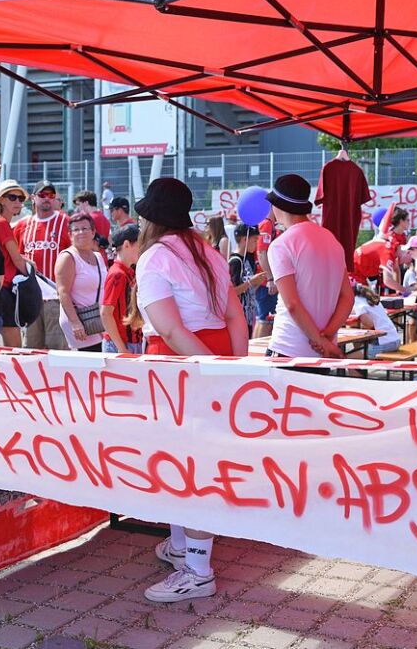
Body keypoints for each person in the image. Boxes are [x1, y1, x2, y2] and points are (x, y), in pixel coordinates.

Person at [130, 177, 248, 602]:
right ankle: (182, 546)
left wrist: (210, 371)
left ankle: (198, 569)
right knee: (186, 462)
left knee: (189, 469)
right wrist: (233, 369)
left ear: (148, 219)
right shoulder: (208, 251)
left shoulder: (154, 258)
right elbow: (236, 318)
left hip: (180, 364)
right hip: (208, 357)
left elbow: (171, 329)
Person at [263, 174, 353, 360]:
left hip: (288, 349)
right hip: (323, 352)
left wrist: (320, 341)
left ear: (279, 206)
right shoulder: (331, 239)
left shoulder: (281, 245)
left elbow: (292, 304)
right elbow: (347, 297)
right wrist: (326, 336)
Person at [13, 180, 71, 350]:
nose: (47, 199)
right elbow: (16, 257)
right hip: (31, 297)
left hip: (56, 298)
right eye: (42, 195)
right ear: (33, 198)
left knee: (58, 349)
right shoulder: (23, 225)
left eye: (51, 195)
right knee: (31, 348)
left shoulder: (65, 222)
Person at [54, 213, 108, 352]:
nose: (81, 232)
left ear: (93, 232)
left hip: (98, 321)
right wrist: (75, 322)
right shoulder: (68, 258)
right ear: (70, 235)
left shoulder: (98, 256)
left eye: (84, 228)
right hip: (81, 323)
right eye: (76, 230)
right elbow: (63, 292)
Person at [0, 179, 30, 347]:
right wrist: (34, 276)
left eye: (21, 199)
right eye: (13, 197)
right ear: (1, 200)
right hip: (4, 288)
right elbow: (16, 259)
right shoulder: (0, 223)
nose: (18, 202)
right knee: (15, 347)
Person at [100, 224, 144, 354]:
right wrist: (122, 348)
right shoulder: (117, 274)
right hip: (122, 344)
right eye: (139, 244)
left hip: (130, 342)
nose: (142, 249)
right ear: (126, 245)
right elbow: (105, 313)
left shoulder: (128, 271)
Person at [352, 207, 412, 292]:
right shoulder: (388, 247)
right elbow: (387, 280)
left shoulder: (398, 238)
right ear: (401, 221)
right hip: (352, 272)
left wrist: (399, 291)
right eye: (407, 220)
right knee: (365, 300)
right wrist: (405, 290)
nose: (409, 223)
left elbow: (396, 268)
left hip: (362, 272)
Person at [228, 223, 266, 334]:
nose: (257, 243)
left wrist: (257, 282)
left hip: (248, 316)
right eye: (254, 240)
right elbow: (232, 292)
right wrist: (251, 282)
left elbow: (248, 288)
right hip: (239, 317)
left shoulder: (247, 259)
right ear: (245, 239)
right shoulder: (235, 261)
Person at [352, 284, 401, 358]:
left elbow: (369, 323)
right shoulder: (369, 298)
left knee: (350, 357)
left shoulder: (357, 301)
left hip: (384, 342)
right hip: (394, 339)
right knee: (358, 350)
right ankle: (362, 368)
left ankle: (361, 367)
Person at [253, 209, 280, 338]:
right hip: (266, 281)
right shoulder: (267, 224)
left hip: (265, 280)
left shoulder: (270, 224)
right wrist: (270, 278)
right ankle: (258, 353)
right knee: (266, 320)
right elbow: (261, 253)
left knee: (264, 319)